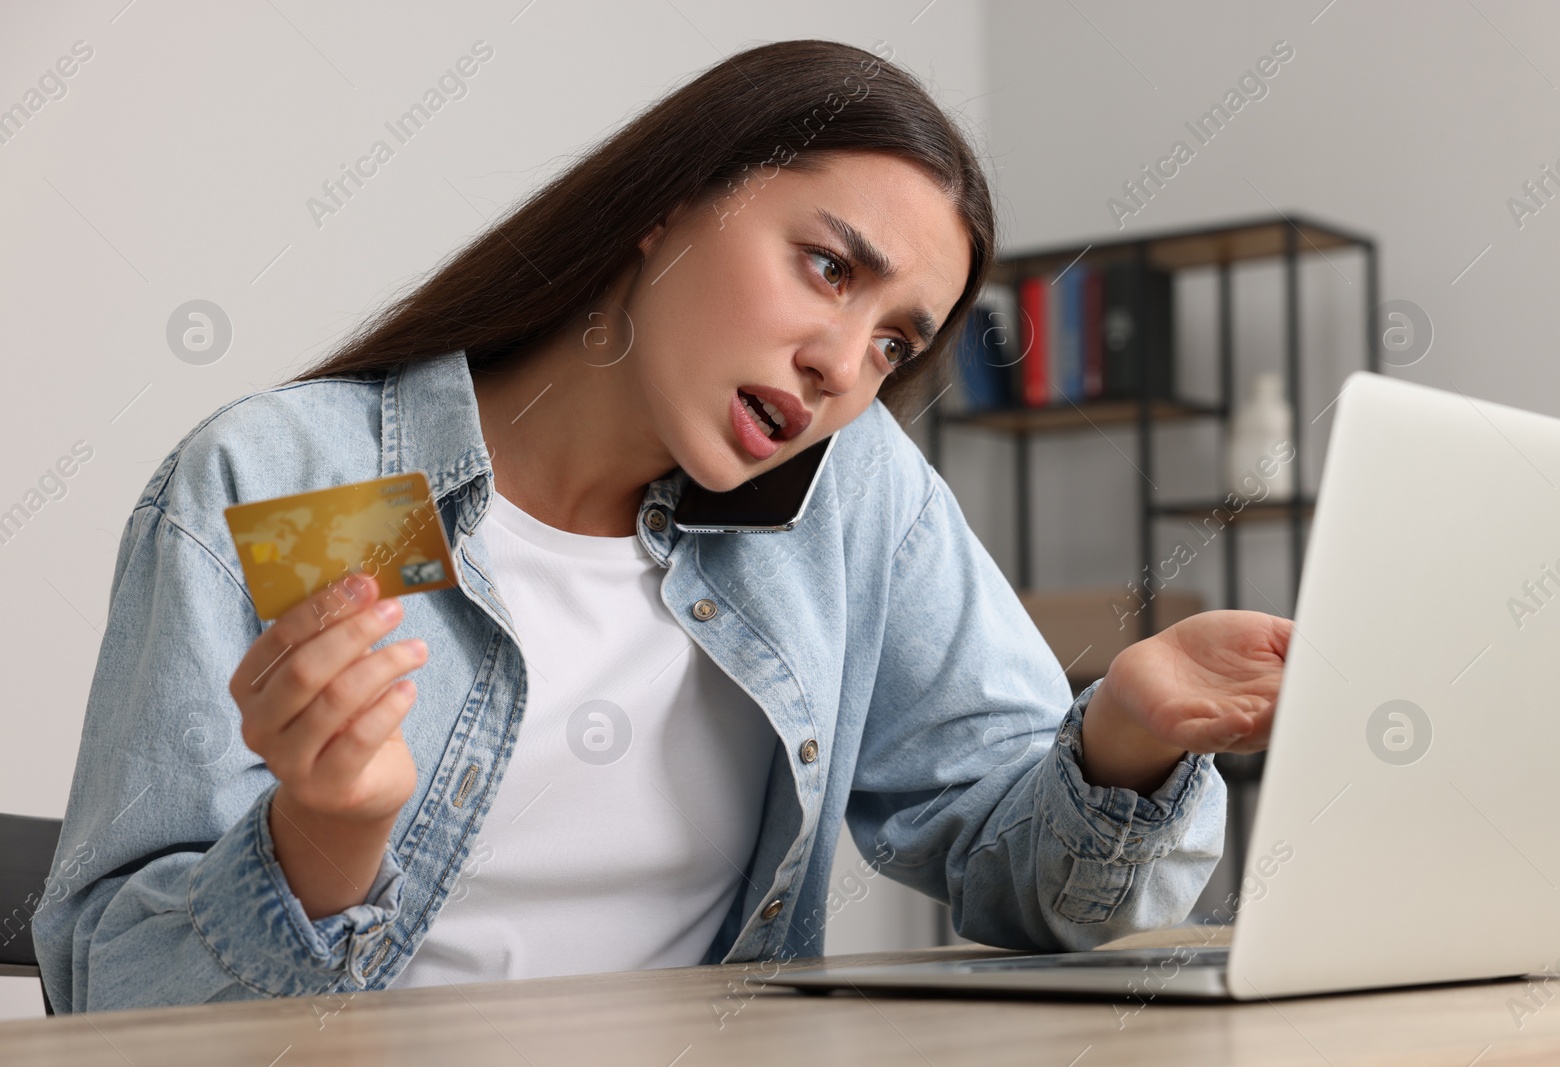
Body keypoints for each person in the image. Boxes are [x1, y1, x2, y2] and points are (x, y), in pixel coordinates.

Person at [33, 38, 1291, 1014]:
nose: (842, 366)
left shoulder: (849, 497)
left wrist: (1124, 736)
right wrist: (325, 835)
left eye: (895, 340)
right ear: (667, 204)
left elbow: (1022, 879)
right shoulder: (307, 483)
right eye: (829, 268)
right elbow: (116, 995)